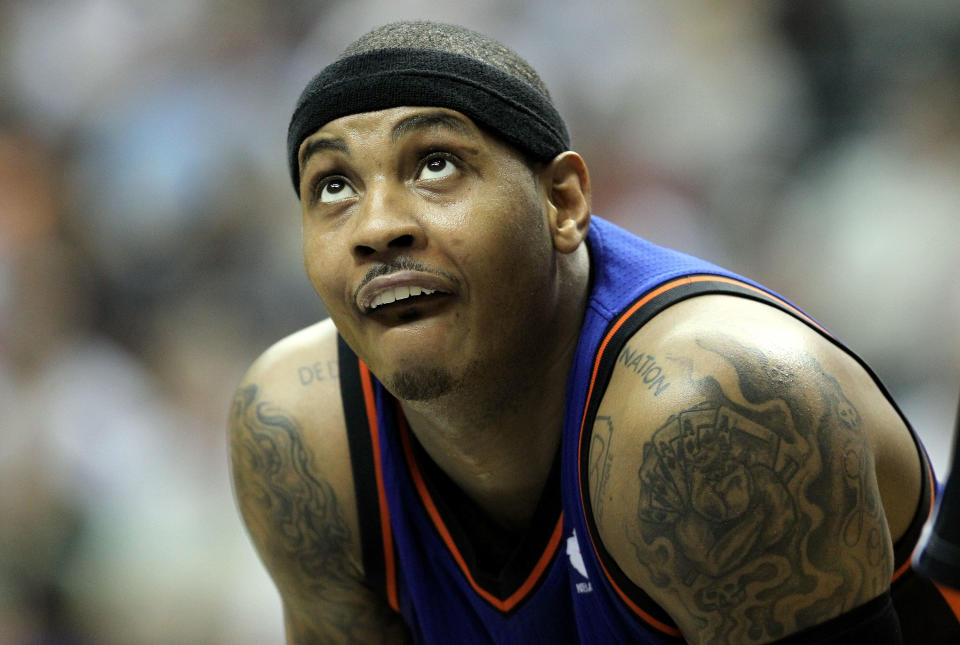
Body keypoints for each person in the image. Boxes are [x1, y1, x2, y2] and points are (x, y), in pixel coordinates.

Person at [228, 21, 960, 644]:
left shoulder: (709, 412)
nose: (377, 227)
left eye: (436, 164)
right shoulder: (297, 434)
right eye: (333, 185)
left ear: (564, 201)